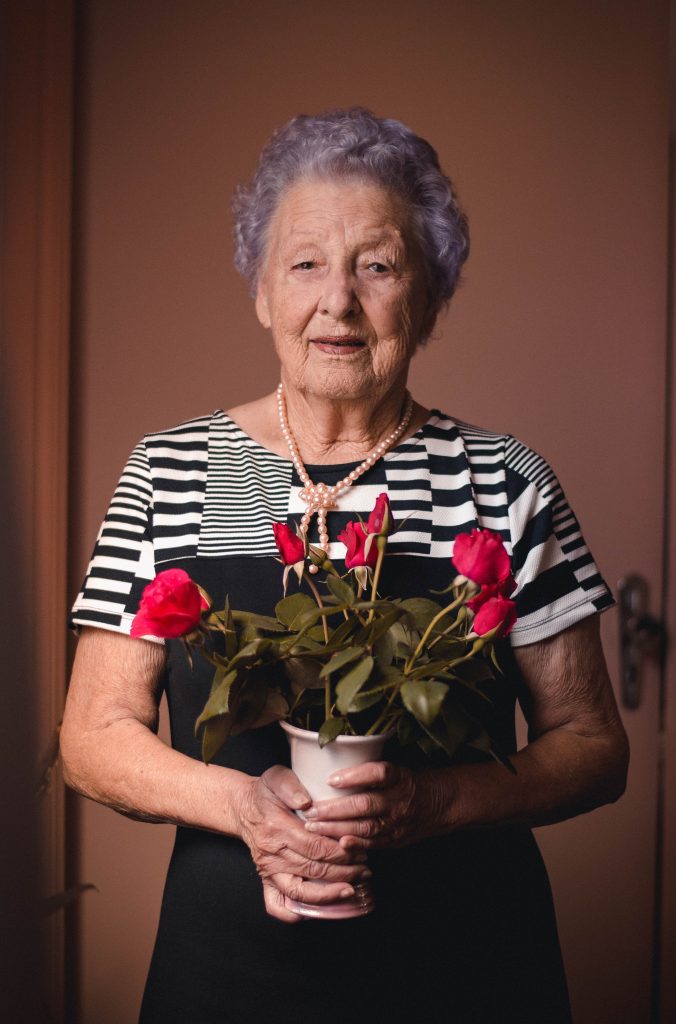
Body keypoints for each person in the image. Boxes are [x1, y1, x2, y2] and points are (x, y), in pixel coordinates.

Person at [60, 108, 629, 1023]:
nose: (339, 300)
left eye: (378, 265)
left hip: (472, 971)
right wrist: (244, 806)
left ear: (430, 296)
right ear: (261, 292)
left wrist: (433, 804)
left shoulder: (503, 479)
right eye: (306, 264)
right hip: (228, 975)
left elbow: (595, 748)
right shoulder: (173, 472)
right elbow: (92, 737)